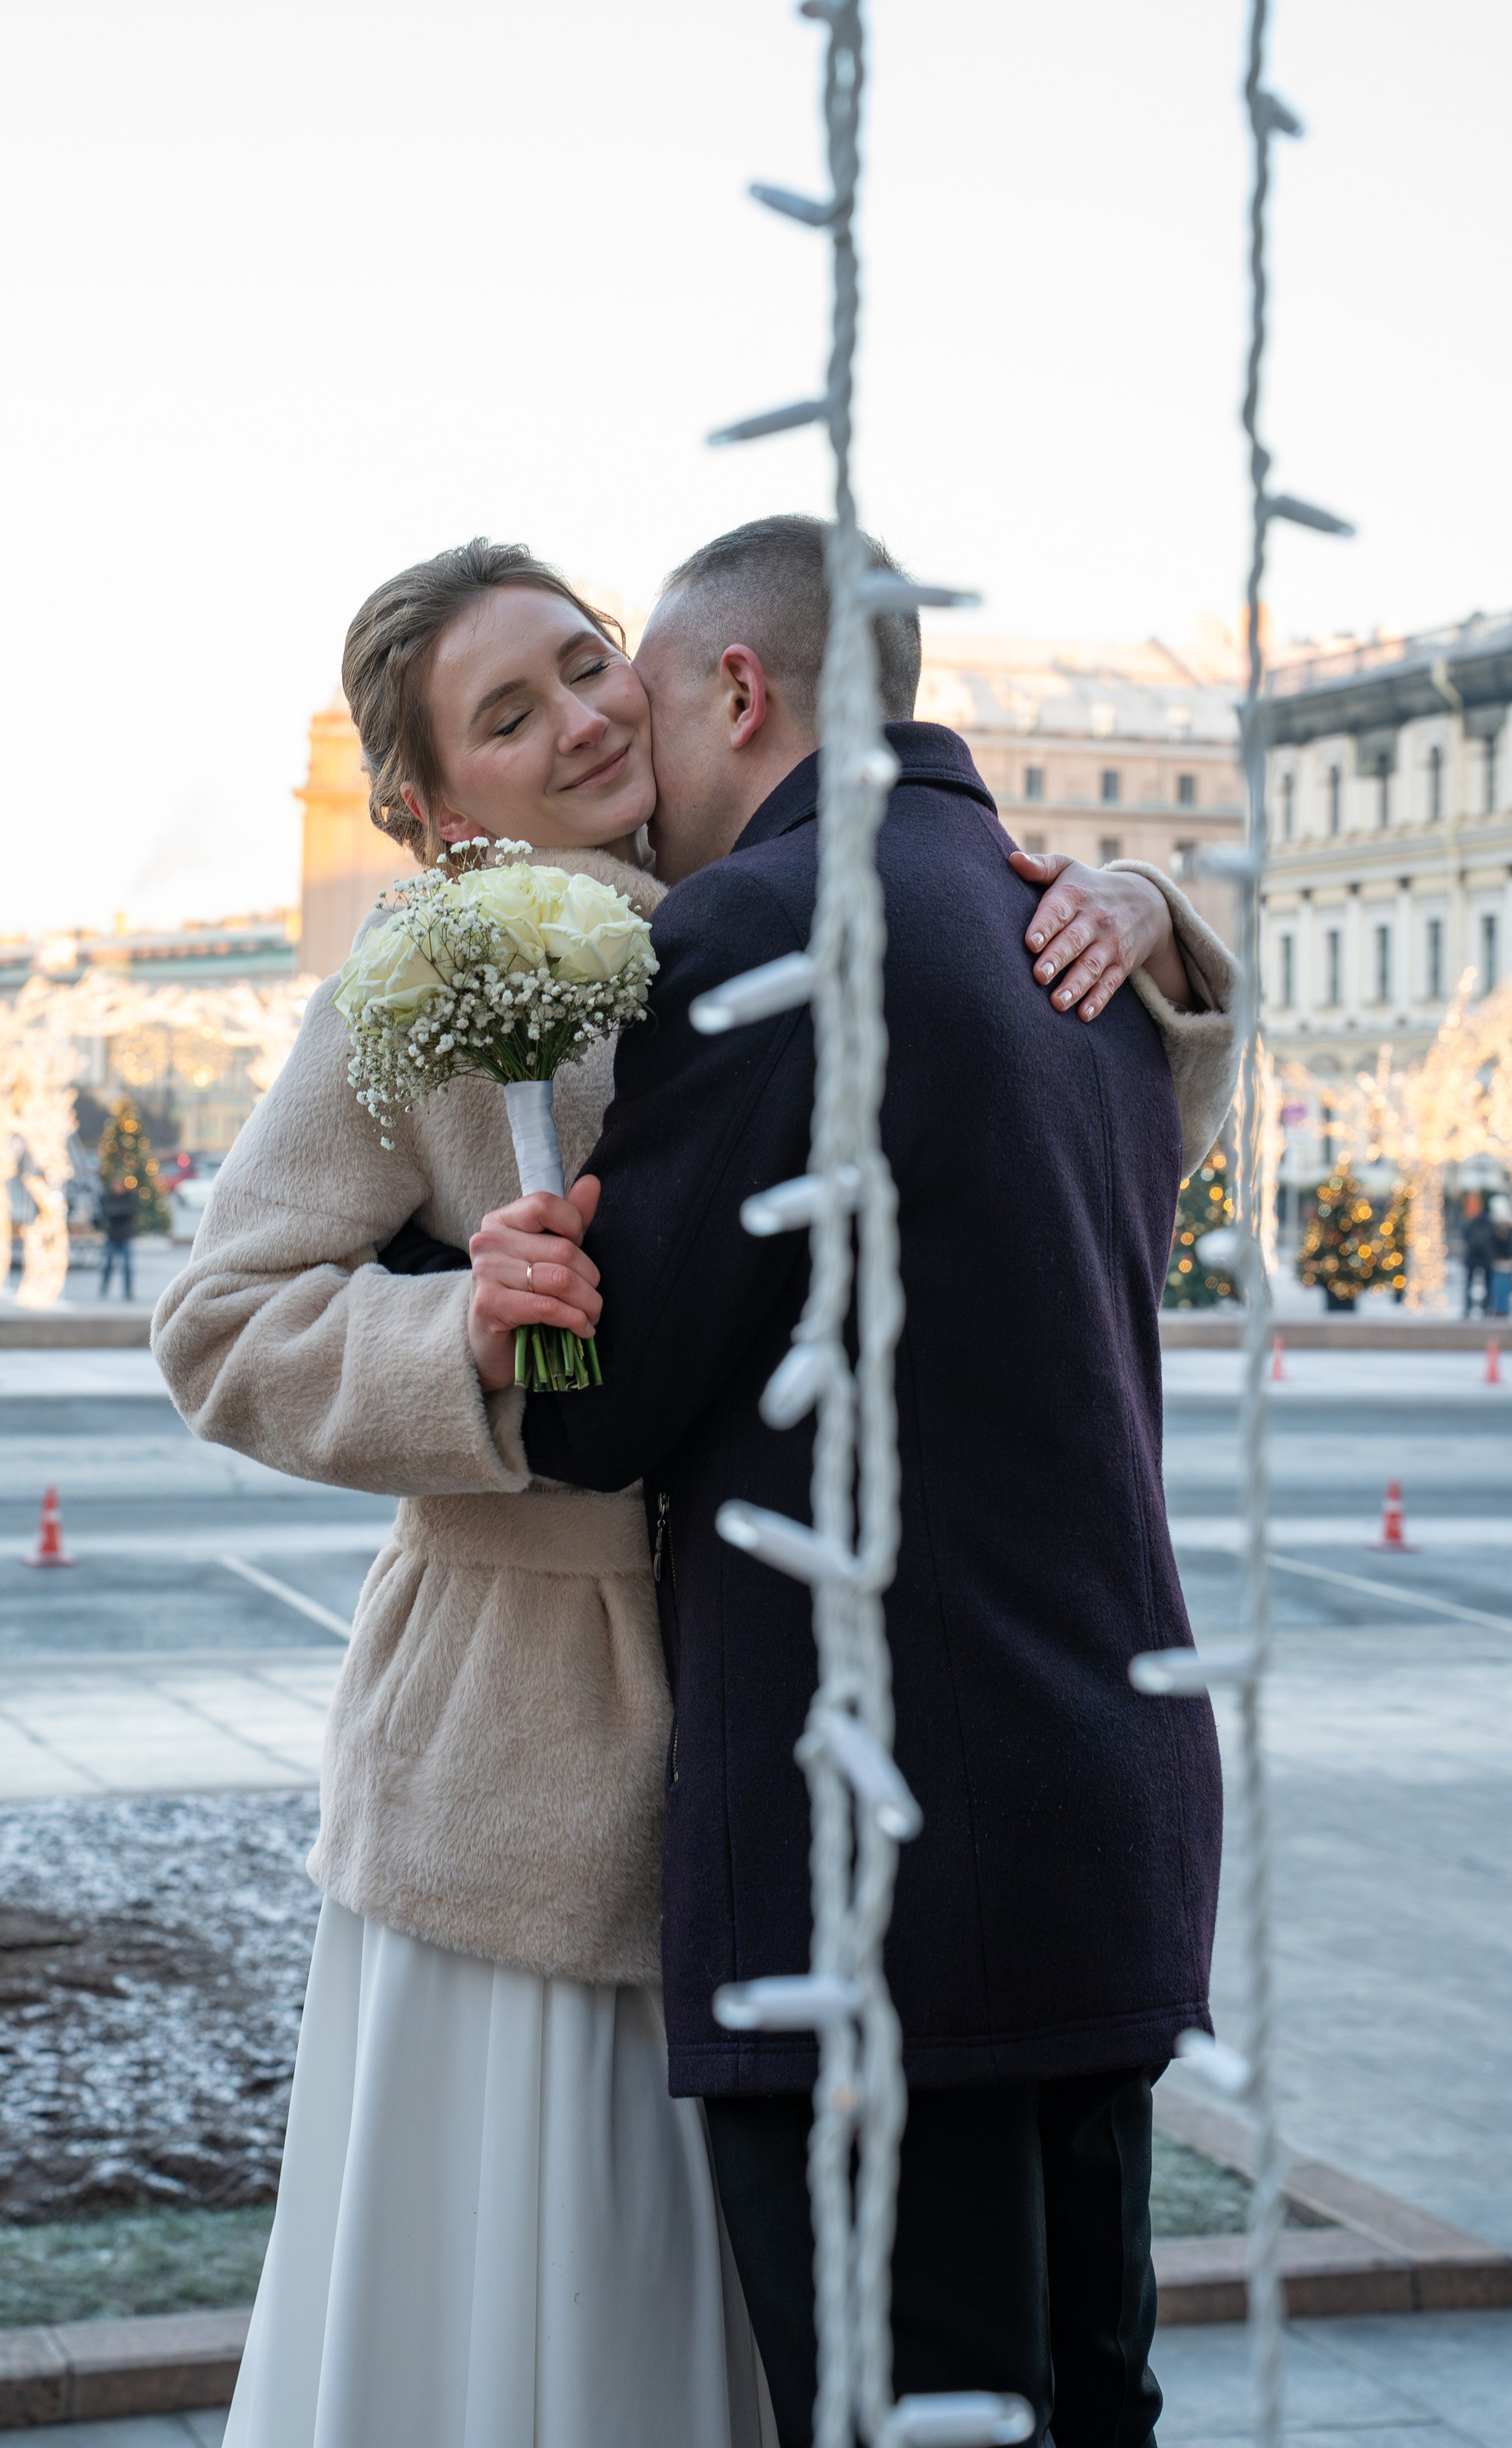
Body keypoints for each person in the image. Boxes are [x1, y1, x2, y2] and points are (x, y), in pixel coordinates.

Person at [151, 537, 1236, 2448]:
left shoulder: (750, 909)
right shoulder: (403, 995)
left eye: (584, 663)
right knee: (541, 2337)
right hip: (531, 1778)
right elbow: (220, 1321)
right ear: (423, 808)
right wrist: (458, 1338)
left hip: (794, 1811)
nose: (580, 713)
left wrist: (1142, 909)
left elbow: (1025, 1165)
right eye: (510, 712)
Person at [490, 516, 1234, 2448]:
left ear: (736, 689)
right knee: (1091, 2403)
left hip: (879, 1882)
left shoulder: (760, 923)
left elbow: (597, 1400)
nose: (619, 753)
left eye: (636, 701)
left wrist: (473, 1275)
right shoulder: (1067, 924)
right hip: (1101, 1819)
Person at [99, 1177, 138, 1300]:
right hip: (112, 1236)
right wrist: (119, 1213)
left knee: (127, 1266)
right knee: (107, 1265)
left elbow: (130, 1212)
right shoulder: (109, 1198)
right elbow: (107, 1212)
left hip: (125, 1236)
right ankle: (104, 1288)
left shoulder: (128, 1198)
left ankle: (128, 1291)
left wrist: (117, 1213)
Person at [1460, 1191, 1494, 1317]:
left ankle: (1484, 1308)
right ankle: (1472, 1308)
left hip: (1483, 1257)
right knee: (1471, 1285)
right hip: (1476, 1257)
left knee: (1485, 1285)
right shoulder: (1470, 1221)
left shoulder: (1484, 1221)